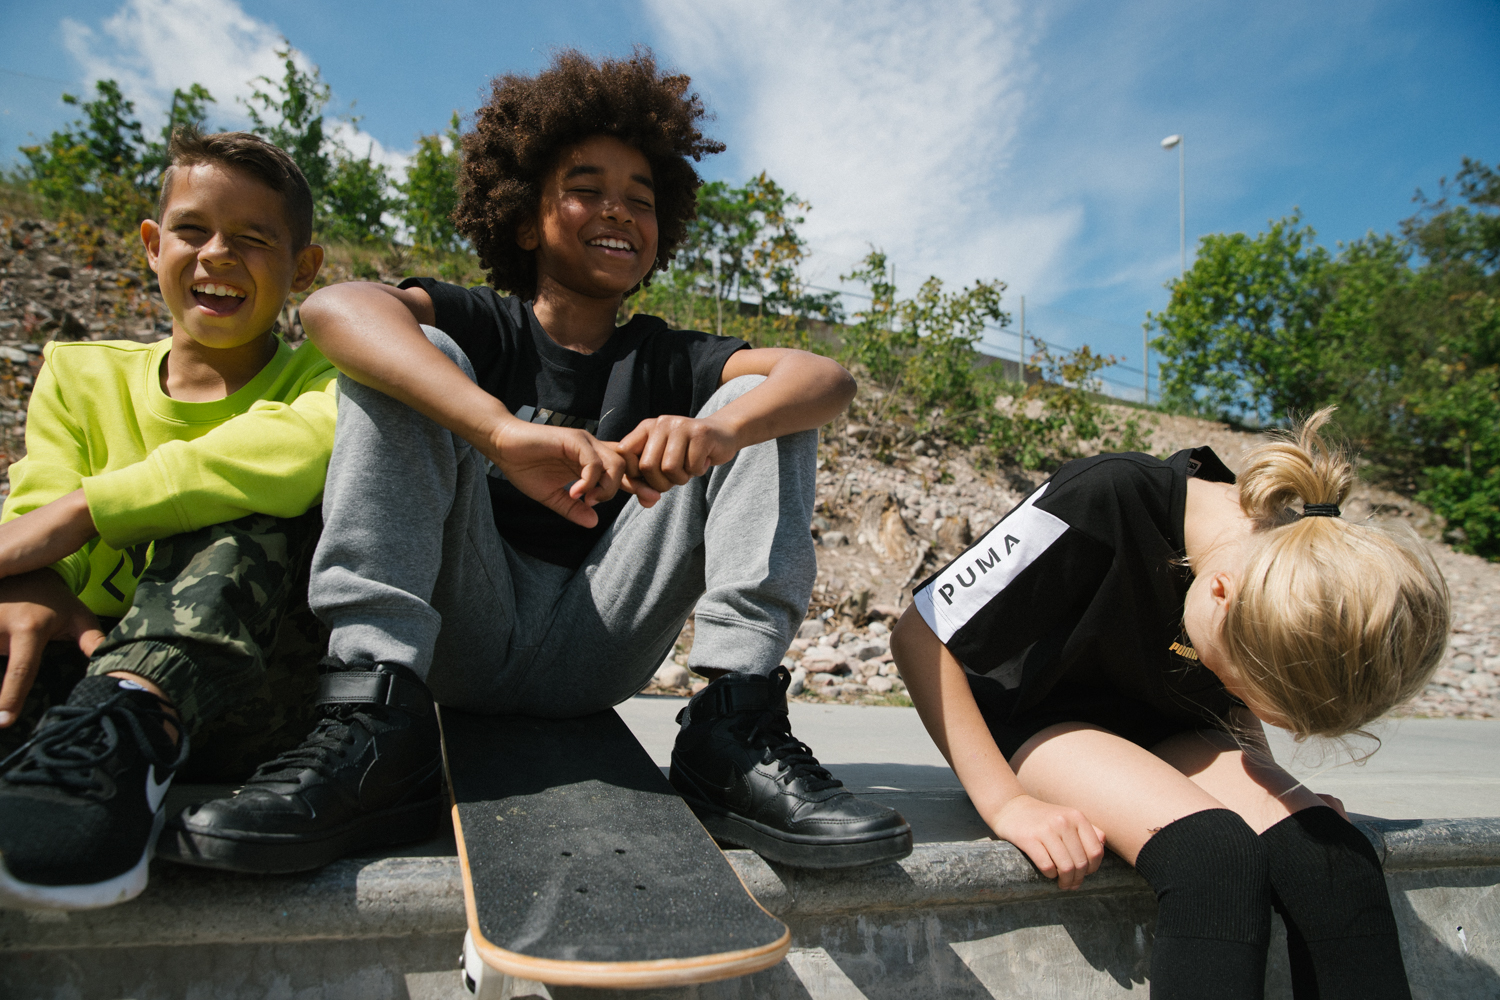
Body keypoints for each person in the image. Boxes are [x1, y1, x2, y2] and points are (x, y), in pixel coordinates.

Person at [165, 49, 912, 874]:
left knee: (763, 400)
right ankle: (373, 718)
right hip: (453, 631)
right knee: (417, 358)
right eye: (587, 189)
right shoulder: (485, 322)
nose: (617, 211)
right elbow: (337, 308)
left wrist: (719, 434)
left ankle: (733, 727)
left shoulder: (667, 358)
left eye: (641, 198)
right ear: (525, 218)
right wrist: (497, 431)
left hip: (599, 639)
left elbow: (827, 378)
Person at [890, 411, 1448, 1000]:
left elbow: (1234, 700)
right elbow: (919, 634)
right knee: (1215, 862)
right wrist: (1006, 805)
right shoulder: (1103, 494)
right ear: (1220, 595)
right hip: (1043, 721)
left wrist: (1277, 791)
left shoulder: (1289, 556)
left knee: (1331, 861)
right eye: (1233, 674)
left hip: (1171, 726)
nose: (1233, 688)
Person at [0, 129, 339, 909]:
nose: (218, 254)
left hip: (252, 702)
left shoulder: (322, 378)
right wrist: (41, 583)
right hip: (79, 671)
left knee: (247, 497)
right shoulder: (79, 375)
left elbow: (297, 455)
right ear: (154, 245)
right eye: (193, 230)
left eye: (255, 239)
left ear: (305, 269)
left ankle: (134, 727)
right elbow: (33, 507)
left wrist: (91, 510)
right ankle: (81, 753)